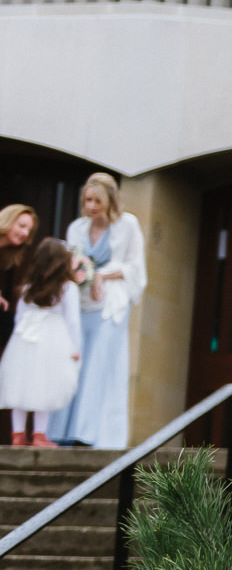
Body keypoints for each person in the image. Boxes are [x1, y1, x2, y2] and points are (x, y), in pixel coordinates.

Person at [58, 174, 146, 450]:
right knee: (76, 363)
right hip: (80, 305)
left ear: (110, 200)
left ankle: (94, 434)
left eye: (98, 200)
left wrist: (101, 276)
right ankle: (66, 431)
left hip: (112, 306)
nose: (92, 205)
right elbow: (71, 265)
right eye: (87, 200)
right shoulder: (76, 228)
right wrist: (81, 274)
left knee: (101, 366)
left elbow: (135, 267)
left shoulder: (128, 224)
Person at [0, 240, 81, 446]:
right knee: (45, 384)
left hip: (24, 338)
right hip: (53, 339)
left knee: (20, 384)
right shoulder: (67, 288)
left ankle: (17, 435)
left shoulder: (27, 288)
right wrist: (75, 347)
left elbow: (19, 317)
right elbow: (72, 321)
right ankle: (39, 435)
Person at [0, 204, 34, 367]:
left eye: (28, 230)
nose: (25, 233)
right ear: (8, 221)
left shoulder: (5, 253)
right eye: (21, 226)